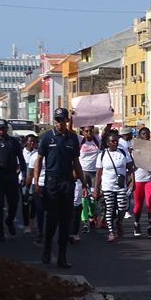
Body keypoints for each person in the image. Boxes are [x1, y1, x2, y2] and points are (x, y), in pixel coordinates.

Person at [34, 108, 88, 268]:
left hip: (67, 183)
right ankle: (47, 248)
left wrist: (83, 182)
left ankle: (62, 257)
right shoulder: (46, 138)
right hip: (52, 182)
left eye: (62, 120)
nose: (59, 123)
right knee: (52, 219)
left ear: (66, 121)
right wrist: (36, 183)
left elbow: (76, 163)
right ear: (54, 121)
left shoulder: (72, 138)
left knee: (66, 220)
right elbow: (38, 160)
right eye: (57, 120)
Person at [93, 132, 134, 242]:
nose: (115, 143)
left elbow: (131, 168)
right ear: (107, 143)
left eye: (116, 141)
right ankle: (111, 232)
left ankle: (119, 222)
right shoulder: (102, 155)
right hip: (107, 186)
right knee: (109, 209)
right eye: (112, 141)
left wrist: (132, 182)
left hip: (120, 186)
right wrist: (96, 188)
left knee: (122, 208)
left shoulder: (123, 152)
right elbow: (98, 173)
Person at [0, 119, 27, 241]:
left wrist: (23, 174)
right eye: (0, 128)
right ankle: (1, 233)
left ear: (7, 129)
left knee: (13, 204)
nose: (2, 130)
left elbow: (21, 159)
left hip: (11, 176)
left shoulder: (13, 142)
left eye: (4, 128)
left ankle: (10, 220)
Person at [132, 127, 151, 238]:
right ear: (139, 135)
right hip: (139, 179)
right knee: (138, 205)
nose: (146, 136)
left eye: (147, 134)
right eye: (143, 134)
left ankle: (150, 226)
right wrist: (132, 180)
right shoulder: (134, 149)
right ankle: (136, 223)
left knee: (150, 201)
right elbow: (130, 166)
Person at [78, 126, 101, 234]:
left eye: (90, 131)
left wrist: (109, 114)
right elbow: (69, 131)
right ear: (82, 132)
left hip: (94, 173)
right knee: (83, 197)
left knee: (93, 198)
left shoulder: (97, 139)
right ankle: (85, 222)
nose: (89, 133)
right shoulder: (80, 139)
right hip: (82, 173)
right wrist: (72, 117)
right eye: (86, 131)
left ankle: (92, 215)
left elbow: (107, 128)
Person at [21, 134, 38, 235]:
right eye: (30, 141)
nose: (32, 143)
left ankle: (32, 218)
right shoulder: (21, 153)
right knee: (25, 203)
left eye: (34, 142)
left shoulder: (37, 153)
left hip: (34, 181)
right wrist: (21, 178)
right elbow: (18, 167)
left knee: (35, 203)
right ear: (26, 142)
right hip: (24, 181)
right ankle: (26, 225)